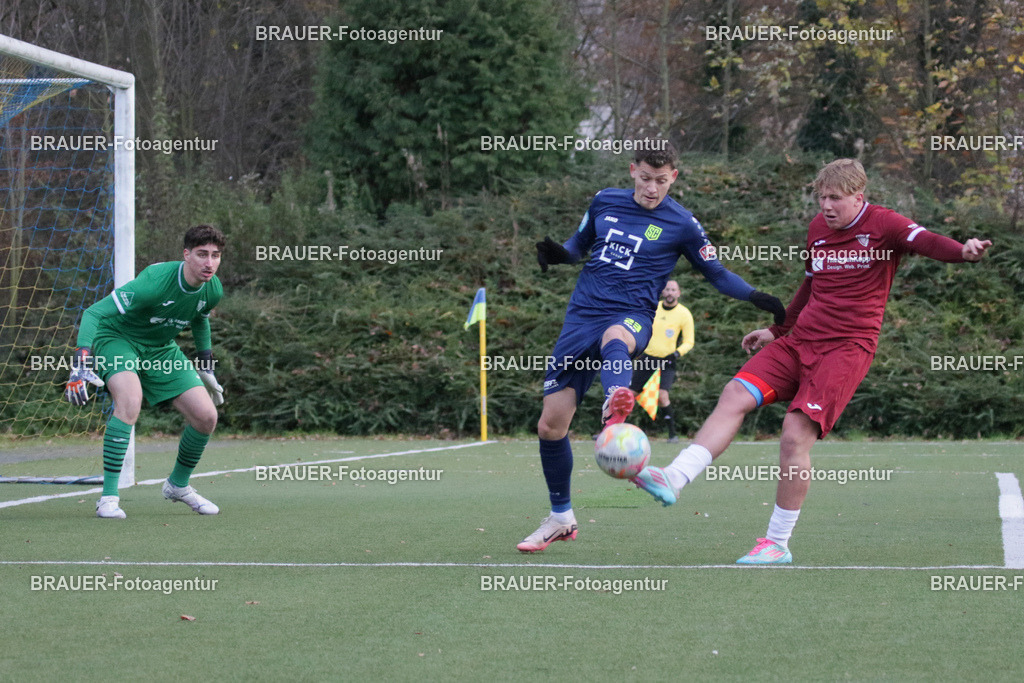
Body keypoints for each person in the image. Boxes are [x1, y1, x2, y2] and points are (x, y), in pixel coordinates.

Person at [634, 158, 991, 563]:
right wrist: (778, 330)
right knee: (735, 393)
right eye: (821, 197)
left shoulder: (885, 224)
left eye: (835, 198)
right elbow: (809, 284)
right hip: (800, 340)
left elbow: (925, 240)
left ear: (859, 197)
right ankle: (675, 477)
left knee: (793, 434)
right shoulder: (818, 230)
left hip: (846, 349)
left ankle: (776, 543)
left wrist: (963, 251)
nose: (826, 206)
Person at [516, 142, 786, 552]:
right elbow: (578, 246)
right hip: (580, 316)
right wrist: (558, 255)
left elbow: (715, 272)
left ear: (673, 177)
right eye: (645, 179)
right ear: (632, 171)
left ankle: (615, 405)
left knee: (616, 339)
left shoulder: (683, 224)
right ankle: (560, 518)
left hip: (633, 316)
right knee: (550, 426)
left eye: (661, 181)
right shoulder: (604, 201)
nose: (651, 189)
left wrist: (754, 296)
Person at [65, 224, 227, 519]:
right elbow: (93, 313)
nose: (209, 262)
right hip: (117, 338)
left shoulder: (213, 289)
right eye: (202, 254)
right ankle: (108, 498)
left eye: (215, 255)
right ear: (186, 255)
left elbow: (200, 318)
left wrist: (205, 363)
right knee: (130, 401)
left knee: (206, 417)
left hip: (160, 348)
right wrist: (81, 361)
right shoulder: (154, 282)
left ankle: (177, 486)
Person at [629, 279, 693, 442]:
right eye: (667, 289)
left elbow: (689, 341)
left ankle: (672, 435)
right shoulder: (653, 308)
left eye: (673, 290)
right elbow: (641, 329)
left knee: (662, 395)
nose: (670, 293)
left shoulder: (684, 314)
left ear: (678, 293)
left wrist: (677, 353)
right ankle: (608, 429)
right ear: (662, 292)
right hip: (647, 358)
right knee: (629, 394)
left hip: (667, 360)